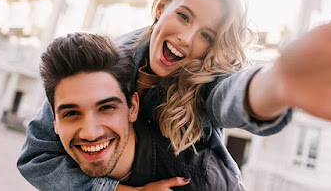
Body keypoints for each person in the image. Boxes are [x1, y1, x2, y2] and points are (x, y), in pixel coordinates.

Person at [17, 0, 331, 190]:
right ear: (159, 7)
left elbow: (232, 94)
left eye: (207, 36)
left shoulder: (204, 75)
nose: (187, 38)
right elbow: (37, 156)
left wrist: (277, 83)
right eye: (183, 16)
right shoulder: (102, 67)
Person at [37, 32, 246, 190]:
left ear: (133, 107)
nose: (90, 132)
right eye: (71, 113)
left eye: (107, 108)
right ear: (53, 121)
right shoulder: (59, 177)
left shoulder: (201, 178)